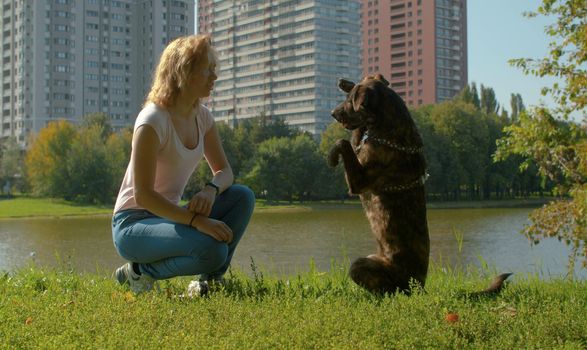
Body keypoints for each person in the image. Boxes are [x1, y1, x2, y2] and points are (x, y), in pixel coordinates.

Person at [111, 35, 255, 295]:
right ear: (184, 72)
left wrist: (210, 189)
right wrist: (194, 221)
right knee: (213, 250)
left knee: (241, 197)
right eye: (207, 69)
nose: (214, 76)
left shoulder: (203, 117)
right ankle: (138, 273)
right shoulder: (152, 121)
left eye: (215, 69)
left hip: (169, 216)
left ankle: (207, 283)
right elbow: (143, 196)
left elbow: (225, 172)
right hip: (132, 225)